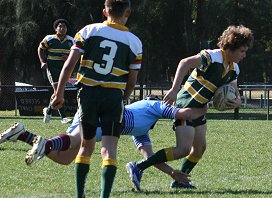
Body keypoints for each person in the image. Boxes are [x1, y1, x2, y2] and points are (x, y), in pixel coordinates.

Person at [127, 25, 254, 190]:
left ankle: (180, 181)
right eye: (242, 51)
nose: (244, 55)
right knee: (183, 149)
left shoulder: (234, 69)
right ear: (230, 47)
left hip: (200, 109)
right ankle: (138, 166)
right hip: (185, 105)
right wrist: (173, 90)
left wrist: (237, 102)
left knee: (199, 149)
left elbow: (235, 93)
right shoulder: (211, 56)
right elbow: (185, 62)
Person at [0, 99, 207, 186]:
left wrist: (171, 172)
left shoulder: (143, 129)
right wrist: (206, 104)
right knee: (72, 142)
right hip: (103, 119)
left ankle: (23, 134)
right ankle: (45, 144)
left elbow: (148, 157)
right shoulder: (153, 105)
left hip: (101, 121)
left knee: (65, 158)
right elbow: (182, 112)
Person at [50, 1, 142, 197]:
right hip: (113, 97)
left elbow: (68, 66)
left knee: (85, 147)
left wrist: (58, 93)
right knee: (109, 150)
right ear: (128, 13)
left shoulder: (88, 31)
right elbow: (132, 82)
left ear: (104, 11)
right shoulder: (134, 42)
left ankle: (79, 195)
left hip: (89, 94)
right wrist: (123, 100)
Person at [38, 18, 74, 124]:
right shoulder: (49, 39)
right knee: (58, 92)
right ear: (56, 28)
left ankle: (48, 111)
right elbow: (40, 49)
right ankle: (63, 117)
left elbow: (76, 54)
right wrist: (42, 62)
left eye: (64, 27)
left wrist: (67, 58)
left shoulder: (71, 41)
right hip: (52, 68)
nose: (62, 28)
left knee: (57, 93)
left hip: (64, 70)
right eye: (60, 26)